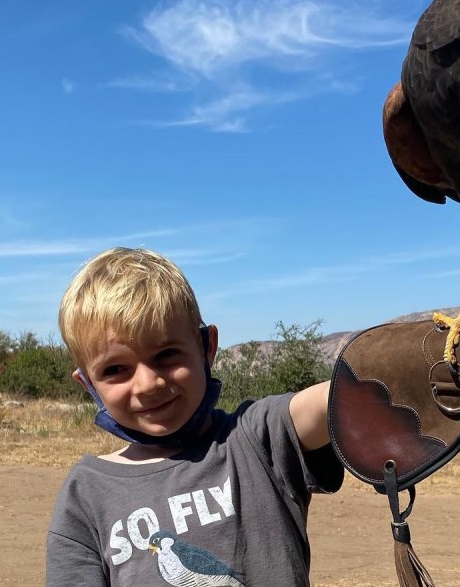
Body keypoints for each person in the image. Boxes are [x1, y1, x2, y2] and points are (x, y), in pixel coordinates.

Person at [46, 247, 342, 587]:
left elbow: (334, 399)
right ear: (87, 383)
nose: (148, 384)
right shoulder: (85, 495)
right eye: (115, 370)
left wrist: (387, 373)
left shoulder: (256, 437)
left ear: (206, 347)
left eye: (166, 355)